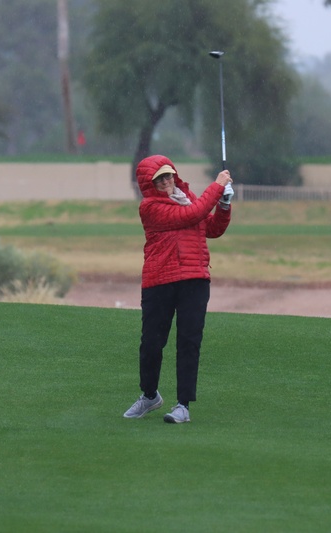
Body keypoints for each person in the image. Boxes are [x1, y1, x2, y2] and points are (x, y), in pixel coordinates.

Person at [123, 154, 234, 424]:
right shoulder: (150, 207)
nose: (165, 181)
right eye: (159, 179)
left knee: (188, 342)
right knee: (151, 343)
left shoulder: (189, 198)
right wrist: (217, 186)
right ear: (149, 184)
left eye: (168, 175)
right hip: (159, 280)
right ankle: (150, 395)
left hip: (194, 278)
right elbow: (191, 215)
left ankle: (183, 405)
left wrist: (224, 204)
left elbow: (211, 228)